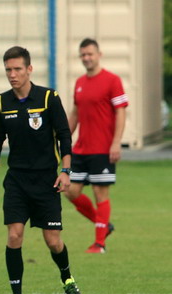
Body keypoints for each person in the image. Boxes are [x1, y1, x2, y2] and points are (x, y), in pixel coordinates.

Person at [0, 46, 82, 294]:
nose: (12, 75)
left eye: (17, 69)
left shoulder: (48, 98)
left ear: (29, 69)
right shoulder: (1, 103)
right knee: (14, 235)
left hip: (47, 180)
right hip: (17, 181)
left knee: (53, 241)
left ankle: (67, 278)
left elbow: (64, 135)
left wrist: (66, 171)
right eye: (8, 70)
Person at [65, 38, 128, 254]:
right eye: (83, 55)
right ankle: (103, 225)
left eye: (90, 54)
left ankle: (99, 244)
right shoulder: (79, 83)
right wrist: (64, 138)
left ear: (99, 55)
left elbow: (121, 112)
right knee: (70, 191)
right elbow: (75, 114)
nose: (86, 58)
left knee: (100, 194)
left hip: (102, 148)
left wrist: (116, 142)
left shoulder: (113, 80)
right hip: (80, 149)